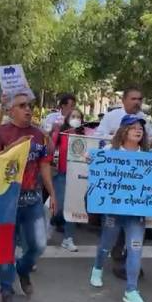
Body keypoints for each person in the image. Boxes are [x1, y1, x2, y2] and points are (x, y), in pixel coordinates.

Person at [0, 93, 57, 302]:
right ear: (10, 111)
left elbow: (45, 165)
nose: (28, 109)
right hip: (6, 201)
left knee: (38, 245)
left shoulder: (39, 135)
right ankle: (6, 292)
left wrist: (53, 194)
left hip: (33, 199)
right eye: (22, 106)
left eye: (29, 106)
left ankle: (23, 268)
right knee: (5, 251)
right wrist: (14, 147)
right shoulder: (1, 132)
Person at [93, 87, 152, 280]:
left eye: (140, 99)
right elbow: (97, 139)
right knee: (111, 234)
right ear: (124, 100)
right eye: (133, 98)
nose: (137, 102)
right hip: (115, 192)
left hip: (136, 194)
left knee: (135, 236)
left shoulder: (145, 122)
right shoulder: (112, 117)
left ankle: (130, 268)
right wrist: (115, 138)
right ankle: (109, 263)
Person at [90, 114, 150, 302]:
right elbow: (97, 171)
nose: (138, 129)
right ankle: (97, 268)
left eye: (141, 127)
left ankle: (131, 291)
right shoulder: (111, 151)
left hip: (136, 215)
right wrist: (92, 160)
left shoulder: (149, 157)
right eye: (133, 126)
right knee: (106, 244)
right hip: (114, 212)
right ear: (123, 131)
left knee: (135, 249)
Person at [52, 108, 94, 252]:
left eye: (78, 116)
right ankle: (52, 224)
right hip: (62, 174)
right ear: (67, 118)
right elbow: (51, 148)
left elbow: (97, 144)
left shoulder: (86, 135)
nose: (76, 118)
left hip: (78, 176)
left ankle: (68, 238)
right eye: (73, 116)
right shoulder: (61, 133)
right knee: (59, 207)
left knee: (73, 207)